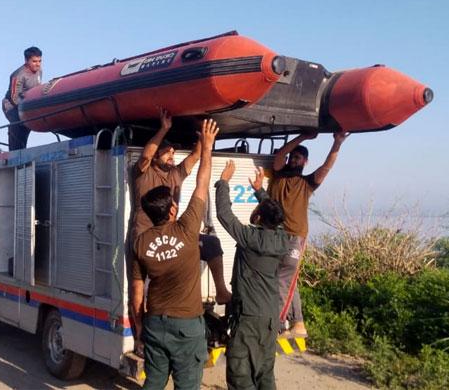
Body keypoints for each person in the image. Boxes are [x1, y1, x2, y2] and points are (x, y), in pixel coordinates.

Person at [130, 119, 218, 390]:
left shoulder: (140, 244)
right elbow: (202, 182)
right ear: (172, 210)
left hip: (156, 322)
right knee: (187, 384)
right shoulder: (187, 228)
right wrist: (209, 142)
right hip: (186, 326)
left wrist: (140, 329)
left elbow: (137, 294)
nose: (172, 155)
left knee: (154, 383)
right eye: (167, 152)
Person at [131, 108, 232, 305]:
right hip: (147, 235)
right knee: (141, 283)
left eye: (173, 152)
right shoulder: (143, 173)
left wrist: (204, 135)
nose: (172, 154)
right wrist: (164, 129)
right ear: (157, 154)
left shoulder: (175, 174)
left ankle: (221, 291)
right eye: (167, 152)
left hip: (172, 234)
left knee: (211, 244)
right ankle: (142, 315)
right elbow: (145, 158)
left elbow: (195, 156)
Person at [258, 130, 350, 337]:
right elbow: (281, 154)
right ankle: (298, 322)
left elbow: (327, 167)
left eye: (298, 158)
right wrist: (302, 138)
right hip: (275, 234)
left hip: (295, 237)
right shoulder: (279, 174)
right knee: (285, 280)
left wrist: (337, 143)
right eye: (293, 157)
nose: (293, 160)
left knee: (283, 280)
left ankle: (280, 324)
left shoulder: (308, 182)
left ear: (305, 162)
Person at [214, 161, 289, 390]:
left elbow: (224, 214)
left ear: (258, 218)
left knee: (240, 373)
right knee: (265, 371)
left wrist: (223, 182)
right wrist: (259, 191)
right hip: (269, 316)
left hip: (247, 317)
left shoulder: (250, 238)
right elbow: (273, 215)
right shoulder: (282, 239)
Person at [1, 46, 43, 151]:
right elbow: (14, 98)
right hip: (11, 105)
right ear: (26, 61)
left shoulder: (39, 71)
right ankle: (14, 152)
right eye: (34, 61)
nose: (37, 64)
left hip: (27, 102)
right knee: (18, 124)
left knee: (28, 127)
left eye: (39, 61)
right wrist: (28, 107)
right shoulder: (18, 75)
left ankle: (22, 149)